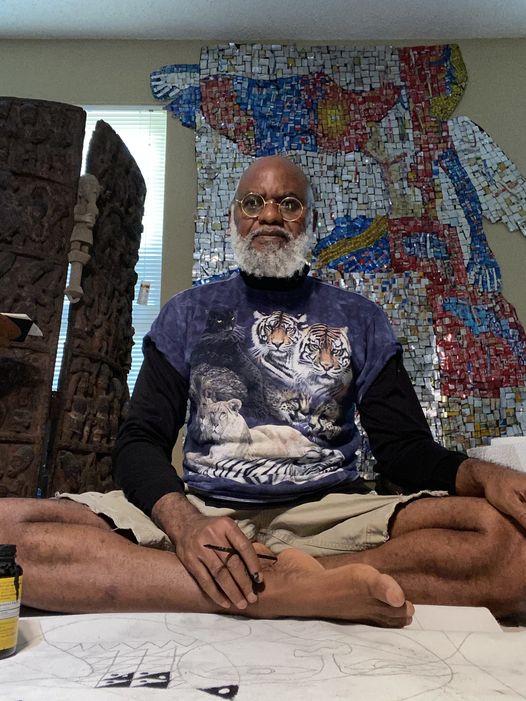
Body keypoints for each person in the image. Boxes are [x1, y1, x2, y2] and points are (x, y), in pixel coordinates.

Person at [1, 156, 525, 626]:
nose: (269, 216)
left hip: (327, 512)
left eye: (288, 203)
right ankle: (293, 590)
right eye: (253, 203)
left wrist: (479, 473)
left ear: (310, 222)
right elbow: (140, 440)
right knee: (8, 532)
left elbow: (404, 452)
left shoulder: (361, 319)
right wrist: (182, 523)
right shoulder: (186, 313)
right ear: (234, 218)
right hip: (204, 507)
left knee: (505, 545)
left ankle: (250, 581)